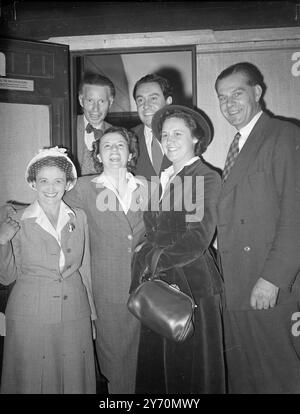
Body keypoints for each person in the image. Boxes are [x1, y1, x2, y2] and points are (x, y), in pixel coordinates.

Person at [215, 61, 300, 393]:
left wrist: (273, 279)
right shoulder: (237, 145)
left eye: (237, 93)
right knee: (247, 380)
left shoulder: (284, 135)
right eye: (222, 97)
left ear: (257, 92)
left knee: (278, 380)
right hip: (237, 285)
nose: (229, 103)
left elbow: (296, 216)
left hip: (269, 288)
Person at [130, 105, 226, 394]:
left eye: (177, 133)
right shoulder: (163, 176)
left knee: (191, 369)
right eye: (164, 134)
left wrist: (154, 261)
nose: (169, 140)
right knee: (161, 368)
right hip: (159, 282)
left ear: (196, 138)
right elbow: (153, 229)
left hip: (191, 281)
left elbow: (199, 236)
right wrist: (143, 252)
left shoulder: (206, 176)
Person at [0, 147, 97, 394]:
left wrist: (92, 314)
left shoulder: (80, 217)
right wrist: (2, 242)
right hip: (31, 315)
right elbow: (7, 276)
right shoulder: (16, 219)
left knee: (74, 381)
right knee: (32, 381)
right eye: (43, 180)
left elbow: (84, 267)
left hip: (75, 312)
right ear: (33, 183)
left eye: (58, 181)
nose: (51, 187)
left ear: (68, 183)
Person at [63, 126, 146, 394]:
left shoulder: (148, 187)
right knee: (112, 358)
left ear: (131, 152)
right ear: (97, 155)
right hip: (107, 287)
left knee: (142, 359)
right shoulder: (85, 187)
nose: (113, 150)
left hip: (145, 286)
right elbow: (50, 205)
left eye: (120, 145)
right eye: (106, 146)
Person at [132, 73, 173, 181]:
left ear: (168, 101)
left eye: (153, 98)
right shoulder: (127, 139)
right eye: (140, 100)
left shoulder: (184, 136)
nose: (146, 105)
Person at [77, 73, 115, 176]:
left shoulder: (117, 134)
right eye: (90, 101)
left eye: (101, 101)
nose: (95, 109)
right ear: (81, 100)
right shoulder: (66, 128)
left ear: (110, 102)